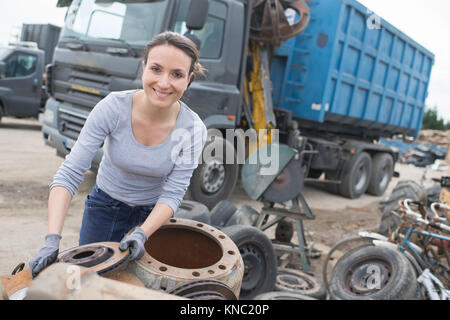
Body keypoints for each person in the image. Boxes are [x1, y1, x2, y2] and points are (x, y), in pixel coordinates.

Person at [29, 31, 208, 278]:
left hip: (151, 217)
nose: (164, 83)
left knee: (136, 287)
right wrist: (52, 239)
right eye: (156, 69)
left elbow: (173, 193)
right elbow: (70, 173)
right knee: (88, 282)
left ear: (188, 79)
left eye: (176, 74)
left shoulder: (193, 129)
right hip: (104, 208)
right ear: (144, 67)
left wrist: (143, 232)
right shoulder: (113, 108)